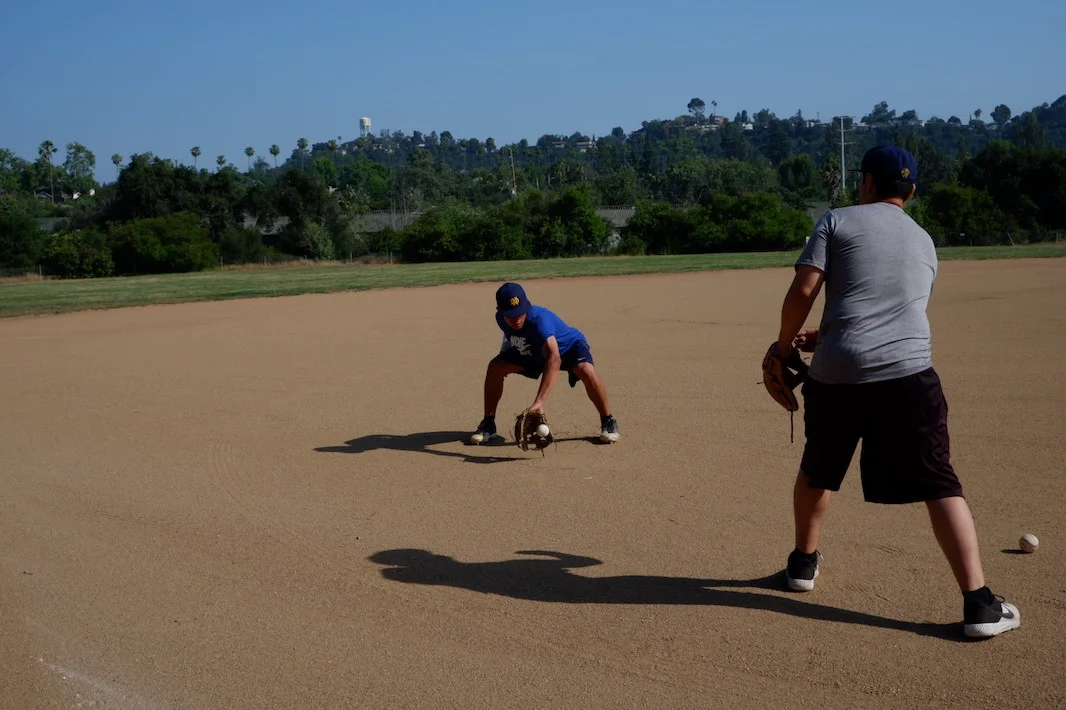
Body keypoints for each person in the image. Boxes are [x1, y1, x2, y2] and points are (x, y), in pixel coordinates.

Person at [771, 145, 1020, 639]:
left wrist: (784, 349)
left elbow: (805, 290)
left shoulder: (838, 220)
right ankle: (979, 605)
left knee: (817, 469)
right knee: (938, 483)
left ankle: (802, 565)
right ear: (912, 190)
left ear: (866, 183)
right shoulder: (925, 240)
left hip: (838, 373)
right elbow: (895, 310)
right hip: (907, 374)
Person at [470, 282, 620, 445]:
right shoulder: (500, 319)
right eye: (511, 314)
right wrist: (504, 358)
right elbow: (510, 338)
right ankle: (488, 424)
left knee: (585, 369)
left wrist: (539, 402)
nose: (517, 319)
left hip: (568, 348)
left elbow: (554, 357)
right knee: (495, 367)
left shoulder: (539, 320)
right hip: (534, 351)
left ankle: (608, 421)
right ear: (499, 311)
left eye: (520, 312)